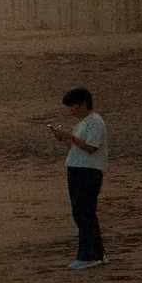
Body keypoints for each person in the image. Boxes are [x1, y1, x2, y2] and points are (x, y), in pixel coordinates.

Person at [46, 87, 108, 270]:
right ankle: (97, 253)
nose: (71, 111)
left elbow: (91, 148)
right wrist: (64, 139)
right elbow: (78, 148)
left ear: (82, 104)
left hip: (88, 171)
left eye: (73, 107)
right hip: (79, 169)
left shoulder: (95, 121)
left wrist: (69, 137)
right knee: (83, 212)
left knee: (83, 213)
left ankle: (88, 255)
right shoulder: (83, 123)